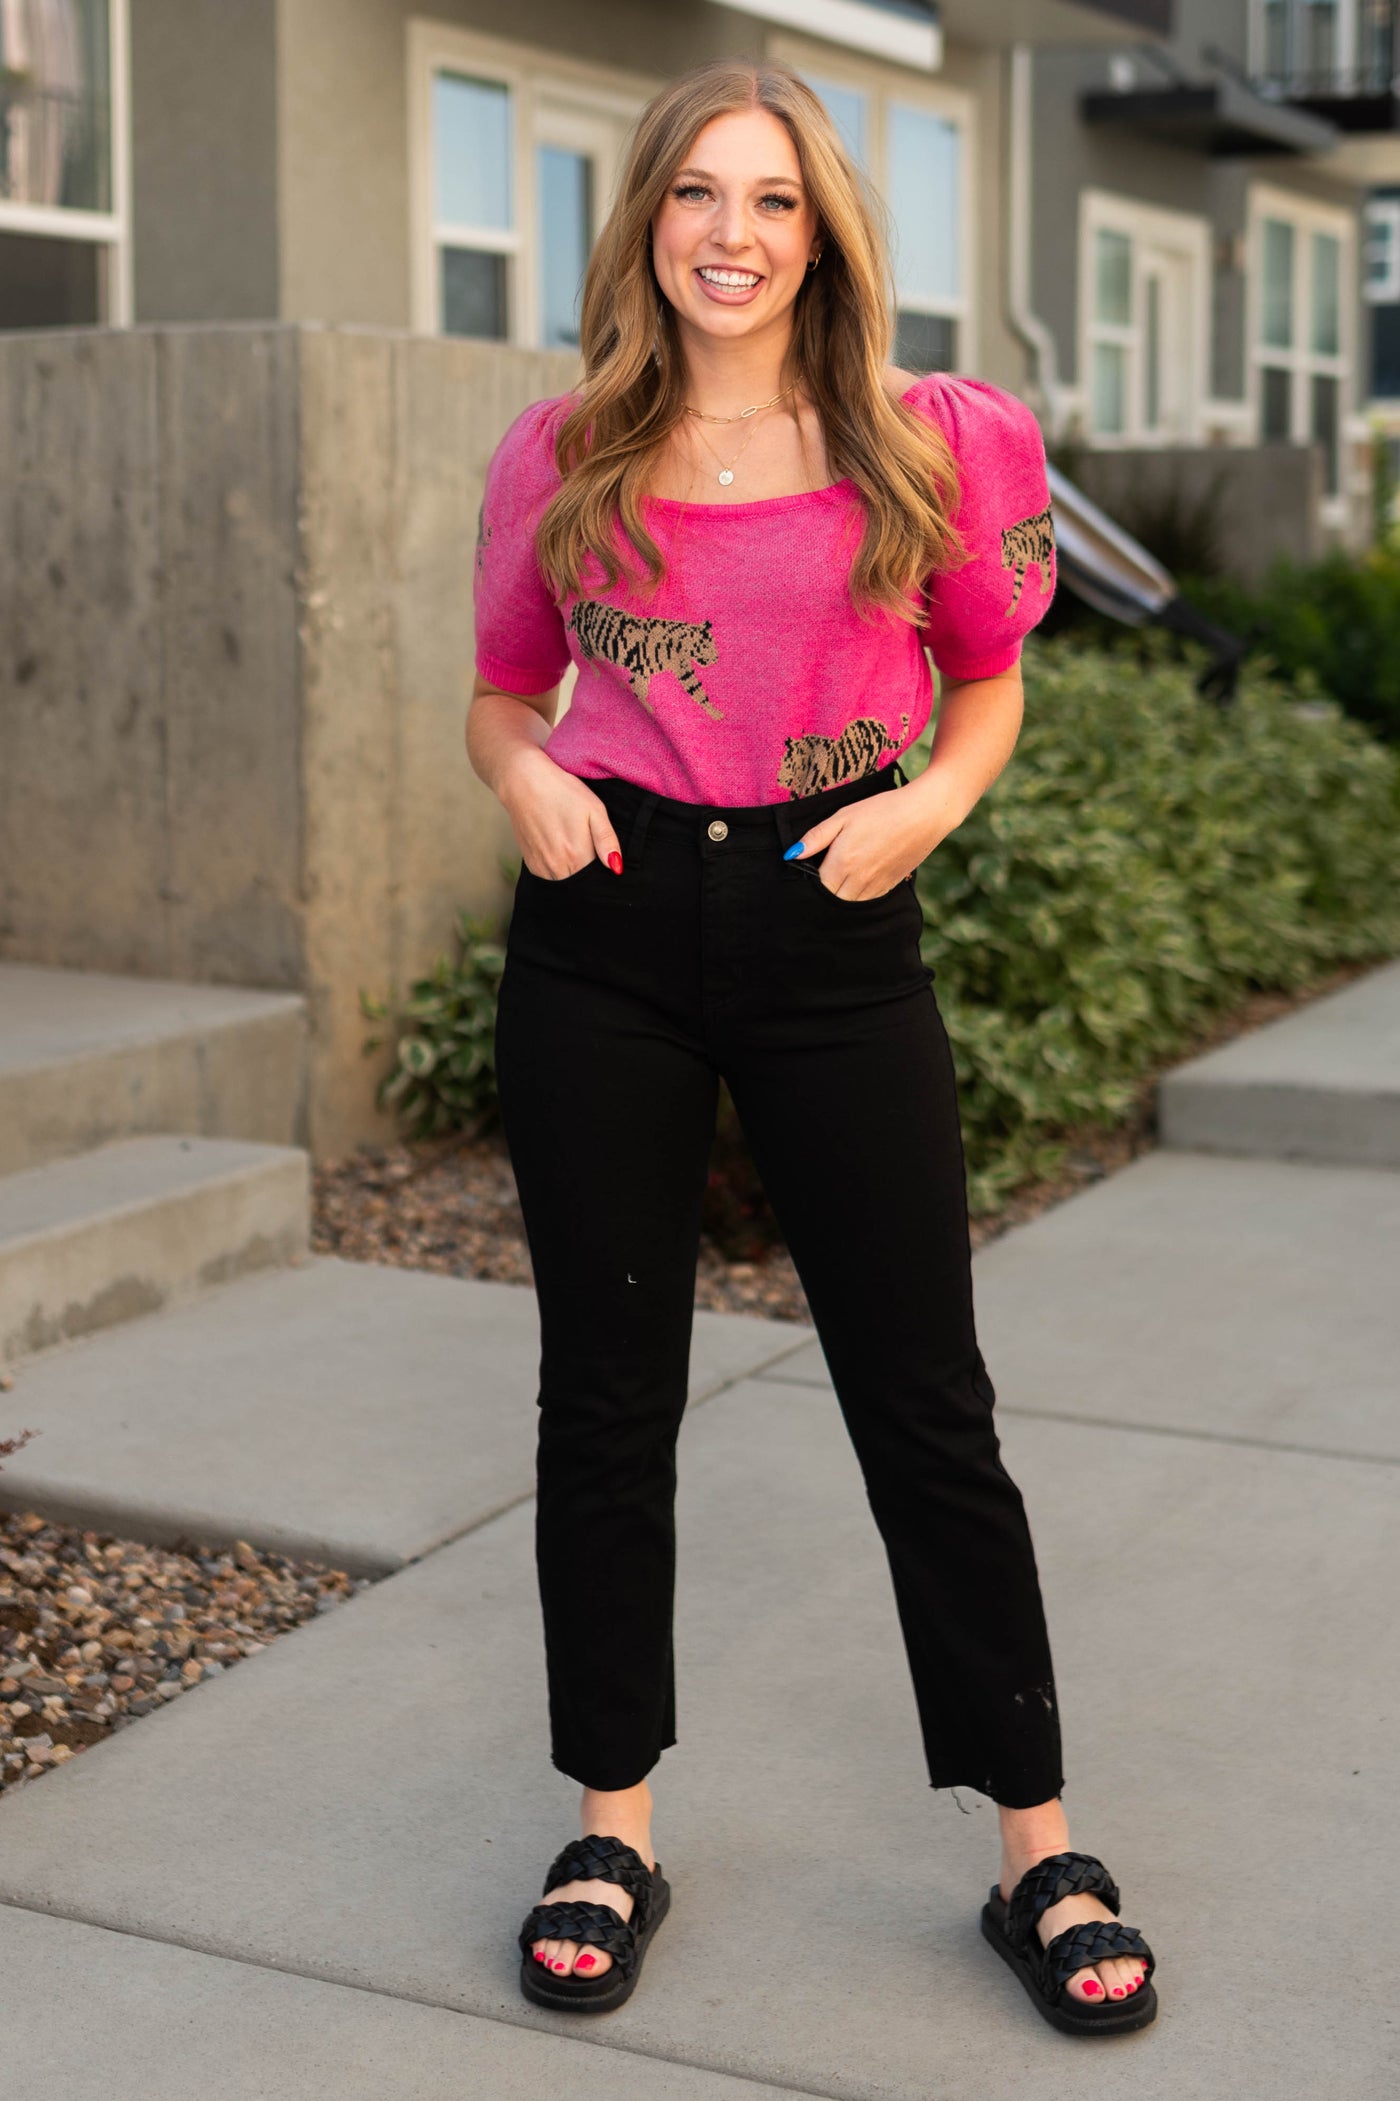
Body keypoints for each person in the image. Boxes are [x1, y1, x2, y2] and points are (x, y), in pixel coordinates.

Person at [466, 56, 1157, 2039]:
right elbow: (503, 694)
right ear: (647, 223)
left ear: (822, 233)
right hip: (601, 931)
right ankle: (611, 1824)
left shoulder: (930, 444)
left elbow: (986, 690)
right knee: (604, 1394)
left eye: (771, 200)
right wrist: (522, 777)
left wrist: (920, 814)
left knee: (924, 1396)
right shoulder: (565, 448)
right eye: (697, 194)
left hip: (835, 922)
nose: (731, 235)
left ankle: (1039, 1852)